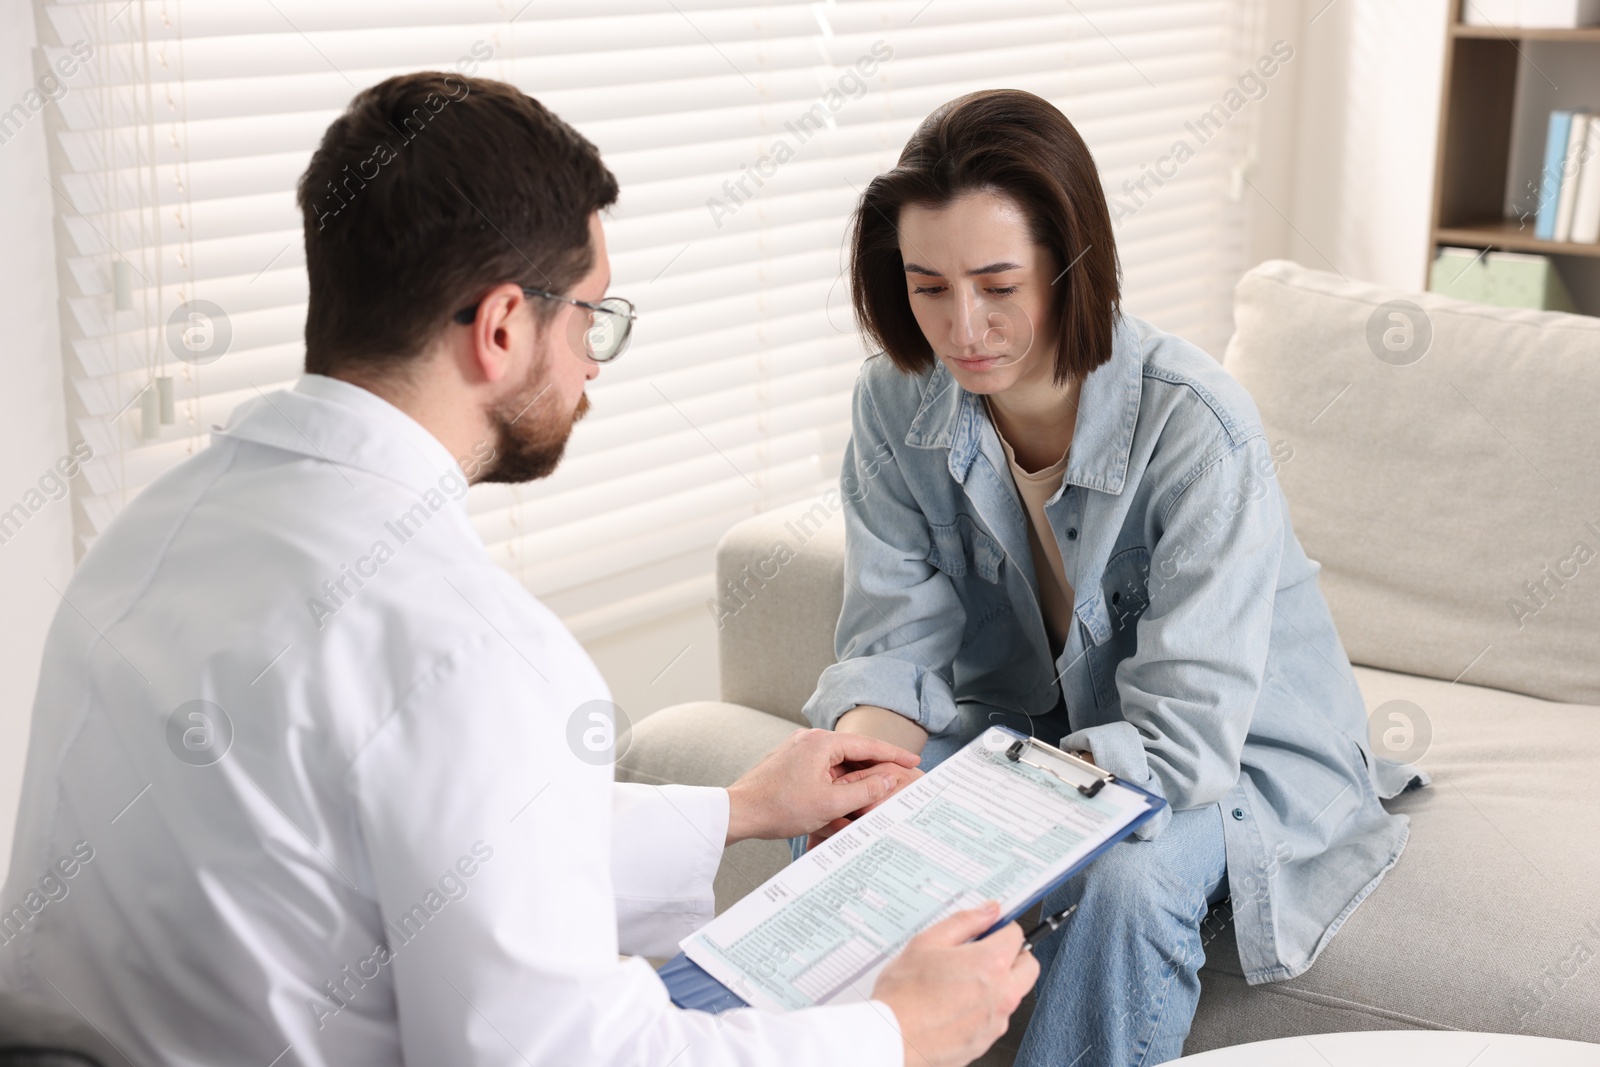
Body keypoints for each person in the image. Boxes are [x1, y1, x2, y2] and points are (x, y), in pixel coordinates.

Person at [0, 72, 1038, 1067]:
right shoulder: (467, 650)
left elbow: (430, 850)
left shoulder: (150, 534)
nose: (593, 359)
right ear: (501, 327)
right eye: (590, 313)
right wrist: (895, 1030)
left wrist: (737, 809)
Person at [798, 89, 1429, 1066]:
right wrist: (868, 775)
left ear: (1068, 264)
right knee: (839, 828)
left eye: (998, 284)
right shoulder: (894, 404)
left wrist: (1001, 811)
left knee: (1127, 877)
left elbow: (1184, 738)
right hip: (1040, 736)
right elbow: (891, 644)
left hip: (1232, 750)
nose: (962, 326)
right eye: (928, 286)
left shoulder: (1195, 425)